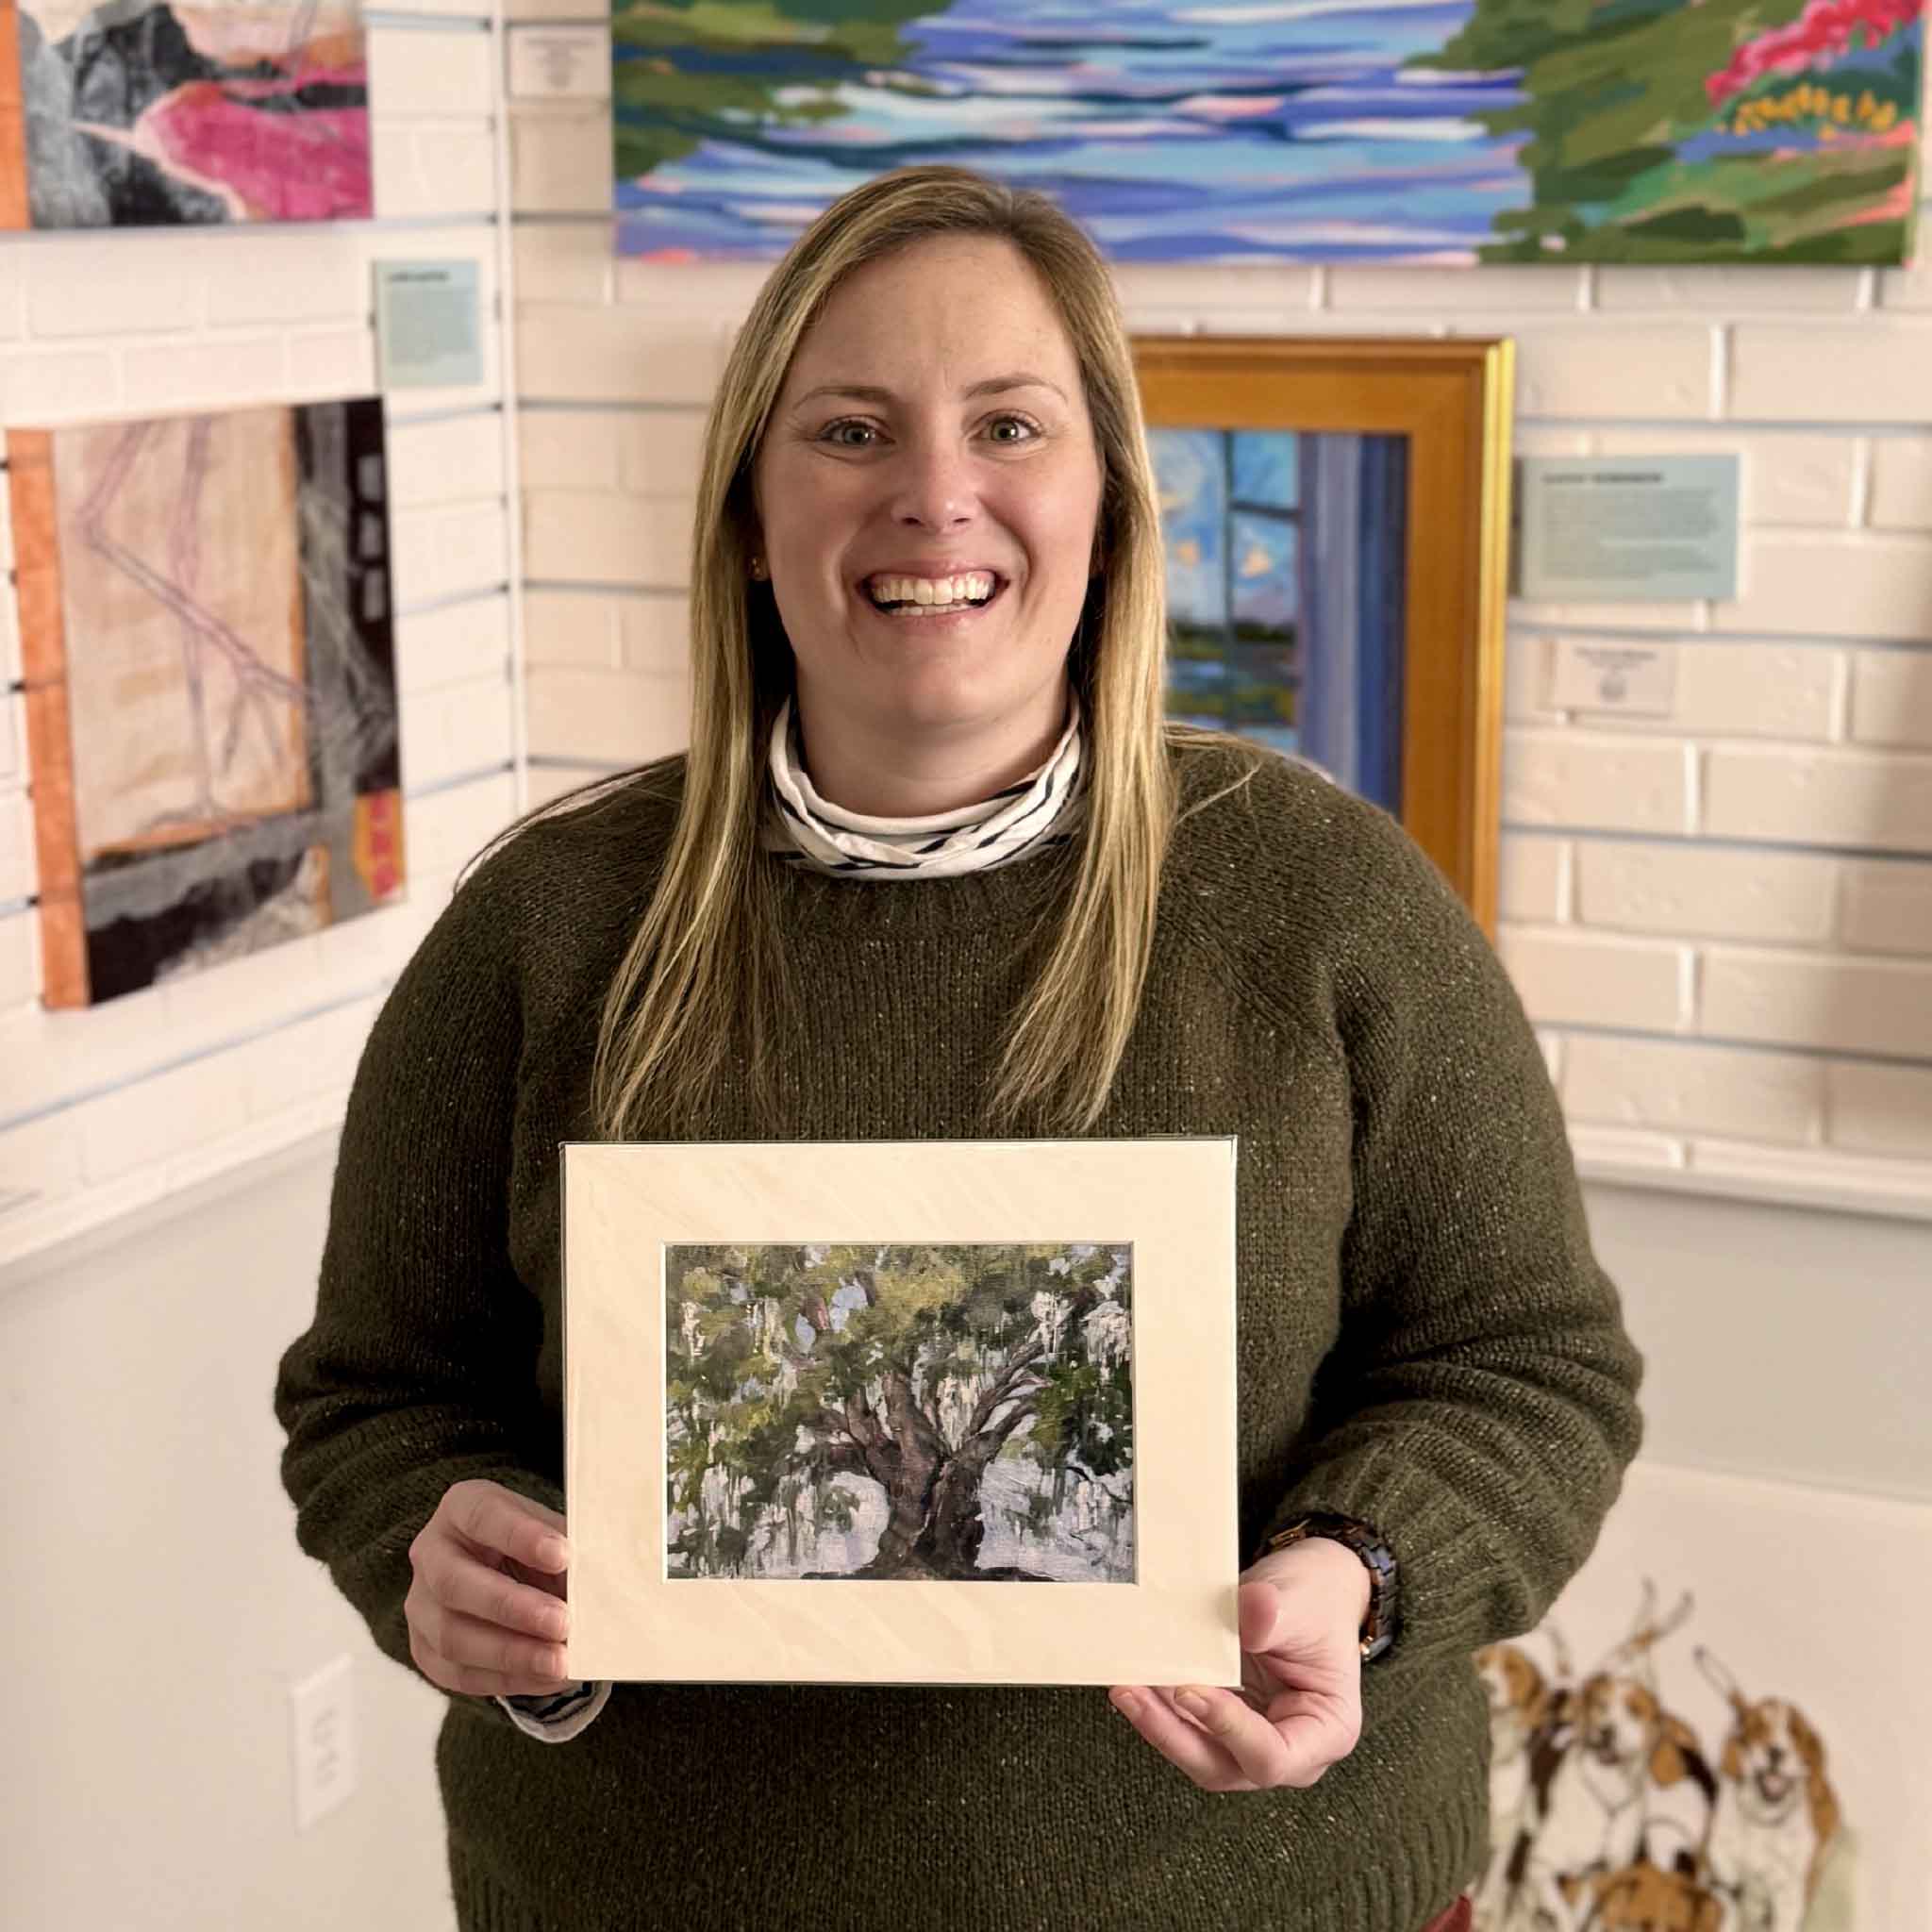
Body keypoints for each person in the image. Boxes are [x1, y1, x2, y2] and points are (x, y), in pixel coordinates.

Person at [275, 164, 1642, 1932]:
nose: (937, 496)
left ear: (1108, 505)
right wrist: (441, 1559)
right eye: (851, 429)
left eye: (1011, 423)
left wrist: (1361, 1570)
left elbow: (1528, 1369)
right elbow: (376, 1399)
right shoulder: (544, 933)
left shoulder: (1322, 902)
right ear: (753, 518)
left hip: (1261, 1898)